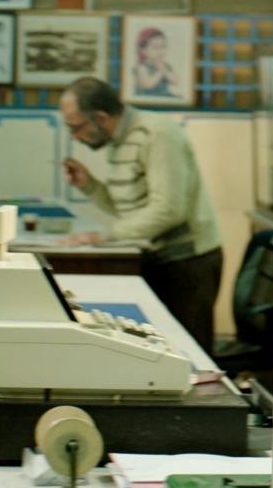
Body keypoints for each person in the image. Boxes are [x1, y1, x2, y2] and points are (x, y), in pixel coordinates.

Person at [57, 77, 223, 350]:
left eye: (76, 127)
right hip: (158, 257)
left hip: (187, 262)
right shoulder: (119, 140)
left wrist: (102, 237)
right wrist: (90, 186)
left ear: (101, 117)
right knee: (159, 352)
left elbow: (168, 211)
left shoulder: (157, 134)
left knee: (189, 356)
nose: (74, 136)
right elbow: (133, 210)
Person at [133, 28, 179, 98]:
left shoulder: (165, 66)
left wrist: (164, 70)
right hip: (147, 98)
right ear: (143, 51)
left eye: (163, 47)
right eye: (156, 48)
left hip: (163, 96)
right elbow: (147, 85)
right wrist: (160, 71)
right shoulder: (142, 67)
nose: (160, 51)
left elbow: (175, 81)